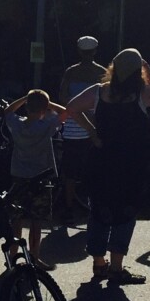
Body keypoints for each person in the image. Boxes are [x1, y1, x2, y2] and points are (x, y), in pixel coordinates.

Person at [72, 47, 150, 286]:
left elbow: (71, 106)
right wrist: (147, 67)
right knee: (125, 212)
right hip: (131, 164)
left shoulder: (99, 92)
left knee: (99, 209)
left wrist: (91, 131)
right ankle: (117, 267)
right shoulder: (140, 95)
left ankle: (99, 264)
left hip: (102, 160)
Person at [1, 88, 68, 268]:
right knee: (36, 221)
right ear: (44, 109)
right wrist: (47, 103)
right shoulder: (47, 125)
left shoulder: (17, 125)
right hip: (41, 178)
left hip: (19, 177)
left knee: (17, 219)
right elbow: (65, 111)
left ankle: (13, 258)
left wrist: (24, 98)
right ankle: (34, 257)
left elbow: (7, 111)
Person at [56, 34, 104, 224]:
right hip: (94, 125)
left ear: (78, 51)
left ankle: (68, 207)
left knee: (70, 171)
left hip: (72, 127)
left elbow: (62, 95)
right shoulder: (101, 72)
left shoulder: (71, 72)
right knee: (93, 169)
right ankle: (93, 206)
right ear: (95, 51)